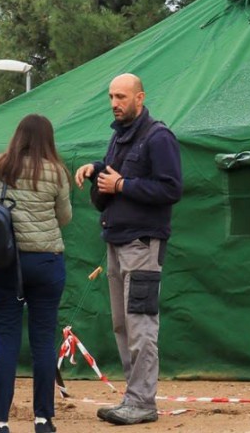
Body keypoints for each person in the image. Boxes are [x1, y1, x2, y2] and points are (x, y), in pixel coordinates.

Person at [73, 73, 183, 426]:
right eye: (111, 97)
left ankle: (142, 402)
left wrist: (121, 183)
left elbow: (170, 189)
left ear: (140, 98)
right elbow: (110, 190)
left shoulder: (158, 137)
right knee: (122, 325)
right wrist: (98, 173)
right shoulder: (118, 138)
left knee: (140, 325)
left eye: (121, 96)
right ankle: (133, 398)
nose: (114, 103)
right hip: (116, 243)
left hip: (142, 244)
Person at [0, 114, 72, 433]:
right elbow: (65, 217)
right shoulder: (58, 172)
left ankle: (0, 421)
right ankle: (43, 420)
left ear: (16, 136)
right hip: (47, 263)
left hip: (3, 265)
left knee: (6, 340)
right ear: (48, 140)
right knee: (43, 341)